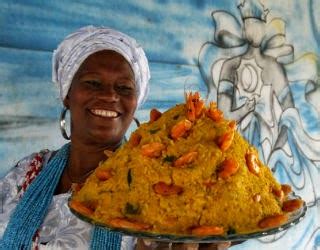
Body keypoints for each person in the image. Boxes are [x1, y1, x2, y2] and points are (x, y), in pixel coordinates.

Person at [0, 26, 230, 250]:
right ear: (67, 94)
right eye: (92, 83)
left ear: (135, 103)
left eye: (124, 87)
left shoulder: (156, 191)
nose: (109, 95)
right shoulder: (27, 172)